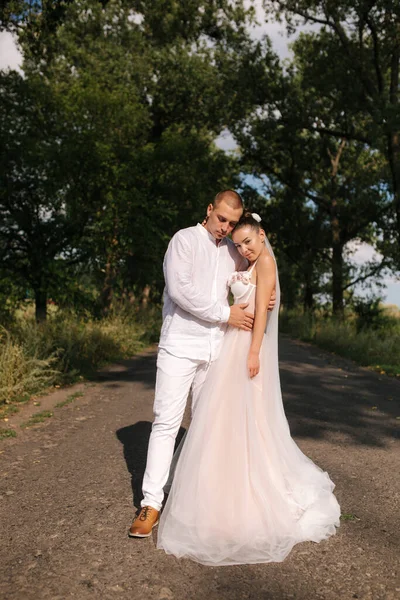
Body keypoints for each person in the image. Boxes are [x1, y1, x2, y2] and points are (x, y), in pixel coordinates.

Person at [157, 212, 341, 566]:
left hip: (245, 349)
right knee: (221, 420)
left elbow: (263, 316)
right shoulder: (245, 260)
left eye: (249, 242)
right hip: (228, 343)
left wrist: (254, 352)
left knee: (247, 421)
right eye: (238, 244)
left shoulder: (267, 262)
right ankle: (216, 491)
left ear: (263, 236)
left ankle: (250, 495)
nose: (244, 249)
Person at [129, 190, 276, 538]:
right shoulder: (183, 240)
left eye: (230, 222)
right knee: (166, 422)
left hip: (218, 351)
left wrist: (268, 291)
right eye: (221, 218)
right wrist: (227, 314)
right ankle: (152, 502)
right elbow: (180, 291)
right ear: (209, 210)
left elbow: (254, 270)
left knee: (210, 426)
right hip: (180, 345)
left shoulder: (232, 251)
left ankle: (201, 502)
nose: (224, 227)